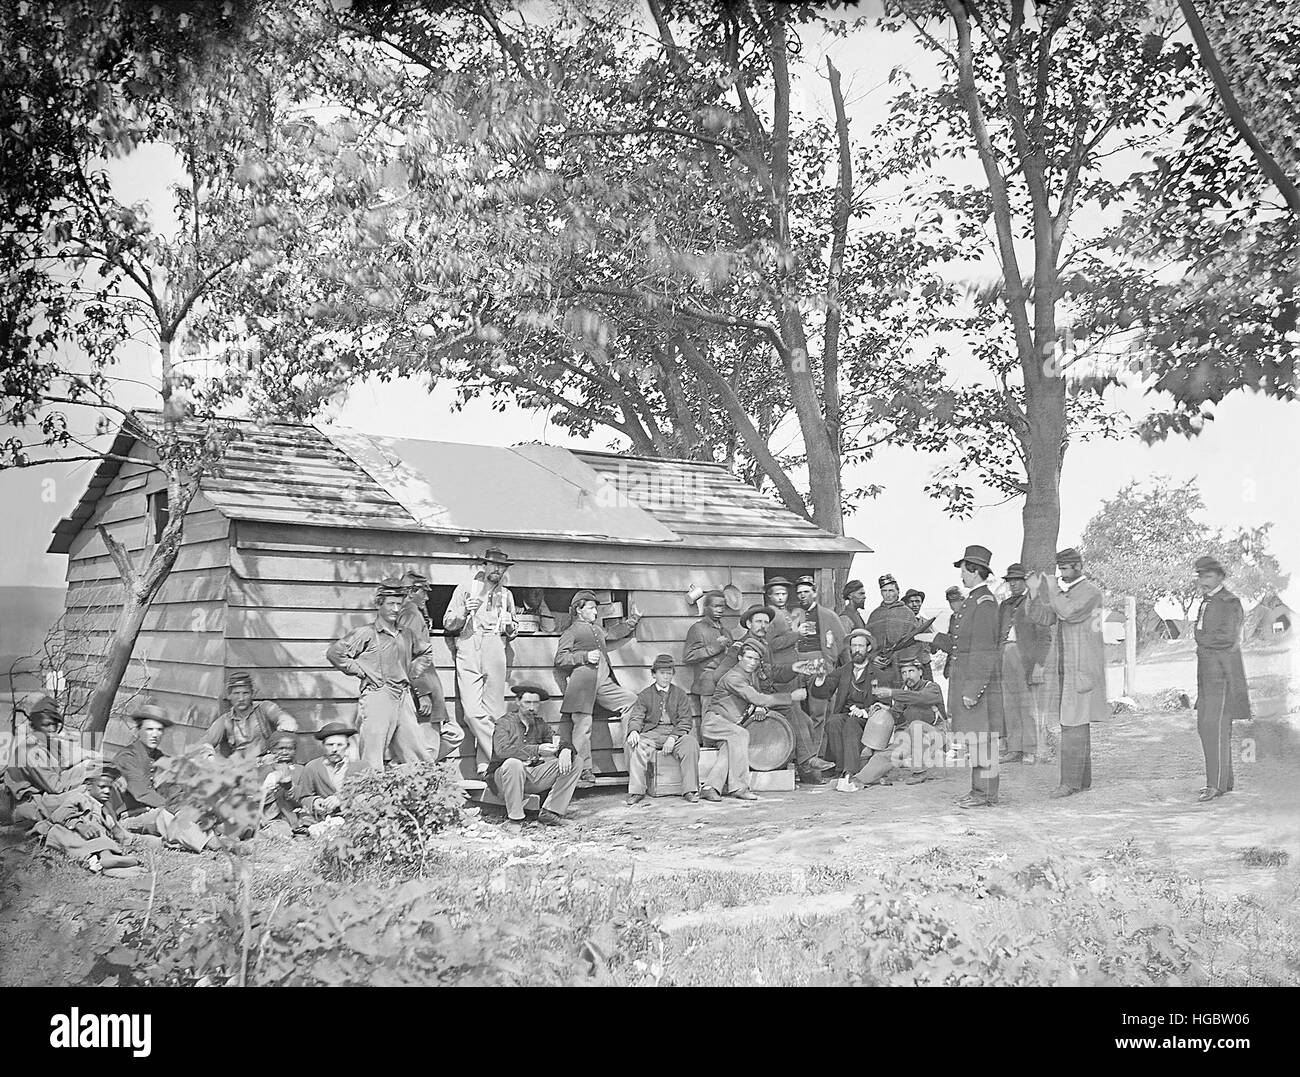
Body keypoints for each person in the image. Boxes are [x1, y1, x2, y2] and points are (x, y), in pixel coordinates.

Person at [326, 577, 432, 772]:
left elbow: (425, 652)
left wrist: (411, 672)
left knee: (415, 749)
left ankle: (423, 794)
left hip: (403, 695)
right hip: (378, 695)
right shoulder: (365, 633)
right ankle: (369, 797)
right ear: (379, 605)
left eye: (399, 604)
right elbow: (335, 653)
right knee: (373, 753)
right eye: (390, 604)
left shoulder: (406, 634)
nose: (395, 609)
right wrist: (361, 672)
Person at [1031, 547, 1107, 799]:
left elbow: (1069, 613)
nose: (1061, 574)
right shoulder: (1066, 593)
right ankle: (1082, 780)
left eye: (1064, 569)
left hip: (1082, 667)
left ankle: (1070, 783)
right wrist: (1035, 592)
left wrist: (1053, 590)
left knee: (1073, 723)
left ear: (1078, 566)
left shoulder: (1090, 592)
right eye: (1059, 569)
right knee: (1074, 722)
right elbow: (1044, 618)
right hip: (1067, 666)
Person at [700, 640, 808, 801]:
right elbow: (757, 698)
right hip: (715, 723)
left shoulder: (750, 675)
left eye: (756, 659)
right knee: (741, 735)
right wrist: (790, 697)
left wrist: (793, 667)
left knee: (729, 749)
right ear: (739, 658)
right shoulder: (734, 677)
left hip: (727, 726)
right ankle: (739, 787)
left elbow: (772, 674)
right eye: (749, 658)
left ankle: (710, 787)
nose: (752, 663)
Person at [443, 547, 519, 775]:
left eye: (501, 567)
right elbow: (448, 623)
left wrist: (510, 627)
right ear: (484, 566)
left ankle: (486, 766)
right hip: (469, 645)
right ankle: (503, 753)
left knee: (495, 711)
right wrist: (464, 611)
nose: (497, 570)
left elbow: (514, 628)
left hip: (496, 645)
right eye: (493, 565)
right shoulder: (466, 589)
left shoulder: (506, 595)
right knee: (472, 712)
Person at [555, 589, 641, 788]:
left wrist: (633, 620)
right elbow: (560, 659)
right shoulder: (571, 632)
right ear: (579, 610)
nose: (595, 613)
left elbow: (614, 633)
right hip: (582, 685)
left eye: (596, 609)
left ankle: (632, 761)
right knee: (582, 727)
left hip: (603, 684)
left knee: (631, 701)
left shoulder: (597, 629)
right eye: (592, 609)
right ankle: (583, 771)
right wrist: (583, 657)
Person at [112, 705, 218, 852]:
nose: (155, 734)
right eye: (149, 729)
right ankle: (211, 842)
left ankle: (223, 834)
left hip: (155, 811)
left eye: (159, 730)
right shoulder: (127, 757)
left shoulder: (159, 757)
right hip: (130, 818)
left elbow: (172, 788)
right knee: (166, 817)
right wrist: (176, 809)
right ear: (138, 731)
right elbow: (143, 793)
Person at [946, 546, 1002, 809]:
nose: (961, 576)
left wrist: (973, 690)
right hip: (966, 678)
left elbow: (983, 651)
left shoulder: (985, 603)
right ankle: (978, 789)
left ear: (974, 571)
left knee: (982, 739)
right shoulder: (972, 600)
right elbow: (961, 644)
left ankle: (986, 793)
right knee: (975, 738)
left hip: (976, 682)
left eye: (963, 570)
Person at [1191, 555, 1250, 802]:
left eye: (1208, 575)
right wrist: (1200, 637)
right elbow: (1198, 629)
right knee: (1208, 726)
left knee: (1213, 726)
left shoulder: (1230, 601)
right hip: (1207, 673)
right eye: (1200, 576)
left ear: (1219, 576)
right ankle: (1224, 782)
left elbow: (1227, 637)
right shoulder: (1206, 601)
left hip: (1223, 674)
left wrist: (1202, 640)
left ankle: (1214, 785)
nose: (1203, 580)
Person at [29, 763, 144, 876]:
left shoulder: (106, 811)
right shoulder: (80, 798)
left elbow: (122, 835)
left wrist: (157, 841)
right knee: (78, 832)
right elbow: (61, 813)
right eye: (102, 787)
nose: (107, 791)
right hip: (62, 834)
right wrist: (79, 825)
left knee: (96, 838)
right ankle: (106, 857)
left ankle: (108, 866)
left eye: (109, 788)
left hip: (89, 844)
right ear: (89, 786)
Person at [489, 684, 580, 826]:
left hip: (530, 776)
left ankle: (550, 812)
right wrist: (537, 750)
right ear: (518, 702)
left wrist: (566, 750)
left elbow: (558, 740)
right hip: (504, 778)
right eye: (527, 702)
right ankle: (515, 820)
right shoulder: (504, 723)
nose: (532, 708)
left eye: (535, 703)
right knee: (514, 763)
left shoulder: (539, 724)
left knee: (576, 761)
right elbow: (502, 750)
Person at [398, 570, 462, 759]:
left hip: (426, 689)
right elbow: (409, 655)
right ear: (410, 592)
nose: (426, 598)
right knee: (428, 748)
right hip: (422, 692)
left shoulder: (413, 613)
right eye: (423, 593)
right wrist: (422, 693)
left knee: (449, 737)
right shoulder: (410, 614)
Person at [624, 655, 705, 805]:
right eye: (662, 673)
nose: (666, 677)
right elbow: (637, 716)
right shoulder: (645, 694)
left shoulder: (679, 694)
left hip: (674, 732)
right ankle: (637, 790)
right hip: (652, 733)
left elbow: (685, 721)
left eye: (669, 673)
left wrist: (673, 737)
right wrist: (634, 731)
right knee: (636, 744)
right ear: (654, 674)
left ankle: (690, 789)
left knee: (690, 743)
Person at [4, 696, 95, 828]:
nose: (52, 728)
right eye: (46, 725)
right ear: (33, 726)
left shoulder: (45, 743)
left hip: (44, 797)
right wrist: (84, 778)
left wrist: (92, 764)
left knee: (93, 776)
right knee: (84, 794)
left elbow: (70, 757)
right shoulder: (30, 751)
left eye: (55, 724)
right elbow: (56, 787)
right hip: (28, 806)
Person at [810, 629, 881, 777]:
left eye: (860, 646)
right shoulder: (844, 670)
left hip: (868, 717)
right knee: (833, 721)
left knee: (851, 724)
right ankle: (839, 768)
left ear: (868, 648)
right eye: (854, 646)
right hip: (845, 714)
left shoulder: (877, 672)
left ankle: (850, 770)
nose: (857, 650)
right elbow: (822, 692)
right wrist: (820, 679)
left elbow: (884, 702)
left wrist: (864, 712)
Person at [873, 648, 946, 784]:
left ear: (920, 672)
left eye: (911, 671)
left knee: (915, 725)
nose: (908, 676)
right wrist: (882, 711)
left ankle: (919, 772)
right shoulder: (904, 692)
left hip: (936, 735)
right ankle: (859, 779)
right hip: (914, 737)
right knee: (885, 755)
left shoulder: (932, 687)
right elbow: (896, 714)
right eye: (904, 673)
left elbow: (920, 698)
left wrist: (892, 693)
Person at [997, 564, 1046, 765]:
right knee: (1009, 703)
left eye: (1017, 580)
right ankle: (1014, 748)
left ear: (1025, 582)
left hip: (1025, 656)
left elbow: (1044, 636)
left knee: (1027, 705)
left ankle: (1030, 749)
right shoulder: (1005, 605)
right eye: (1010, 581)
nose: (1014, 584)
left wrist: (1038, 664)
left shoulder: (1035, 603)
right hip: (1006, 653)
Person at [202, 672, 297, 760]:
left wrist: (285, 723)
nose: (241, 698)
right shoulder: (225, 720)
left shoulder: (263, 708)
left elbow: (283, 718)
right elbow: (205, 742)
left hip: (266, 761)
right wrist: (209, 756)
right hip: (241, 766)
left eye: (245, 693)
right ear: (230, 695)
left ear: (252, 694)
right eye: (236, 693)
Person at [681, 590, 734, 716]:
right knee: (709, 723)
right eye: (716, 606)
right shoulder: (698, 628)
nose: (720, 610)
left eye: (722, 606)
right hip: (708, 686)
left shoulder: (726, 631)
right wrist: (715, 648)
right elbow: (688, 656)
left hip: (727, 685)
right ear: (706, 608)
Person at [294, 723, 357, 820]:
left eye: (340, 745)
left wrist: (342, 799)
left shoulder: (360, 767)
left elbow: (369, 795)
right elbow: (303, 797)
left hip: (354, 820)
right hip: (324, 820)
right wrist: (314, 801)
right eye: (330, 745)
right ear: (322, 746)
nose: (334, 749)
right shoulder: (312, 767)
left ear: (347, 746)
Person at [866, 574, 918, 688]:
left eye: (891, 590)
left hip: (902, 669)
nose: (888, 594)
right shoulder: (874, 615)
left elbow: (916, 643)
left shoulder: (908, 614)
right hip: (878, 670)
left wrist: (897, 657)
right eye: (884, 591)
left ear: (898, 592)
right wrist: (873, 657)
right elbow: (866, 643)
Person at [259, 731, 309, 835]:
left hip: (288, 817)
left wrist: (288, 787)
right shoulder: (264, 770)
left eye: (289, 749)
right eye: (280, 748)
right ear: (271, 750)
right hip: (263, 815)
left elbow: (301, 798)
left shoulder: (301, 770)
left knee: (281, 830)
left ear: (295, 751)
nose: (285, 752)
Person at [794, 575, 846, 662]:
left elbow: (842, 643)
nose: (802, 595)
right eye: (799, 593)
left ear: (814, 593)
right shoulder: (794, 616)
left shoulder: (828, 615)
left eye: (806, 592)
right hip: (798, 661)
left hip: (820, 660)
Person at [763, 577, 802, 668]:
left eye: (784, 594)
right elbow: (771, 644)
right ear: (769, 595)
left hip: (792, 663)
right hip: (780, 664)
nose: (781, 597)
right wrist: (797, 634)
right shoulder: (770, 615)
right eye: (777, 594)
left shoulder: (786, 612)